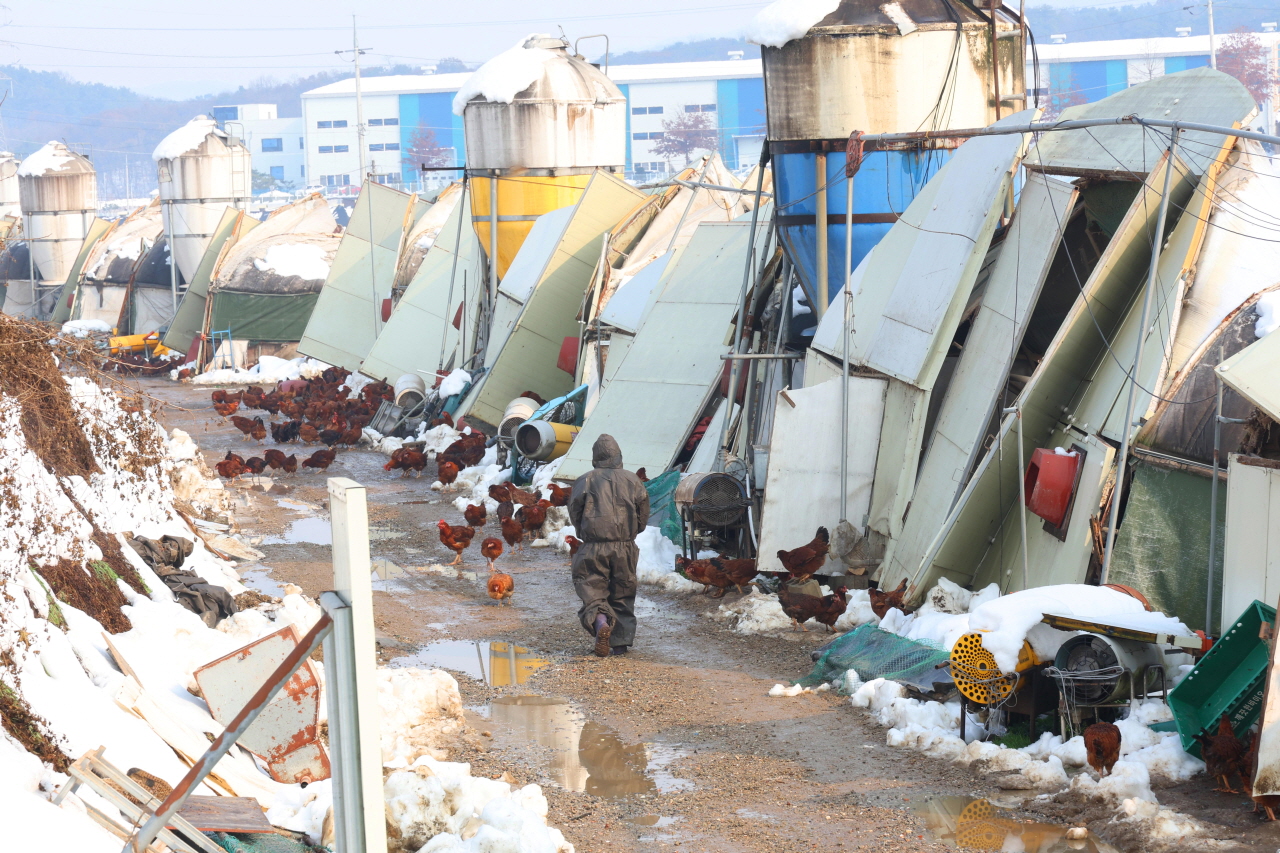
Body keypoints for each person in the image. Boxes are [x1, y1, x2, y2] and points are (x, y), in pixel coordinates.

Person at [567, 434, 650, 657]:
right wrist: (632, 532)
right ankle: (620, 644)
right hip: (624, 546)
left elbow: (575, 511)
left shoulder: (585, 479)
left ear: (595, 456)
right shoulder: (633, 480)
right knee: (622, 592)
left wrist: (583, 532)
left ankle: (601, 623)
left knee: (592, 589)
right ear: (618, 456)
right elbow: (643, 513)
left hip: (593, 546)